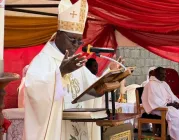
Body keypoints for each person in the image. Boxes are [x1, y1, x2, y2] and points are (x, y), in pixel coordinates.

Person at [23, 0, 120, 139]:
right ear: (59, 34)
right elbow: (34, 90)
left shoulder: (75, 61)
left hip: (77, 129)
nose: (76, 46)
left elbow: (92, 87)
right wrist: (60, 72)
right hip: (58, 132)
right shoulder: (44, 59)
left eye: (79, 41)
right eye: (72, 40)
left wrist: (111, 75)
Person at [142, 67, 179, 140]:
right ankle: (177, 138)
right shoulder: (150, 84)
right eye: (162, 74)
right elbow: (153, 101)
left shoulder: (164, 83)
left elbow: (172, 95)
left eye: (165, 74)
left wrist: (176, 102)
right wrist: (170, 104)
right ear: (156, 74)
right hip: (158, 108)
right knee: (178, 118)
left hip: (168, 106)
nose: (165, 76)